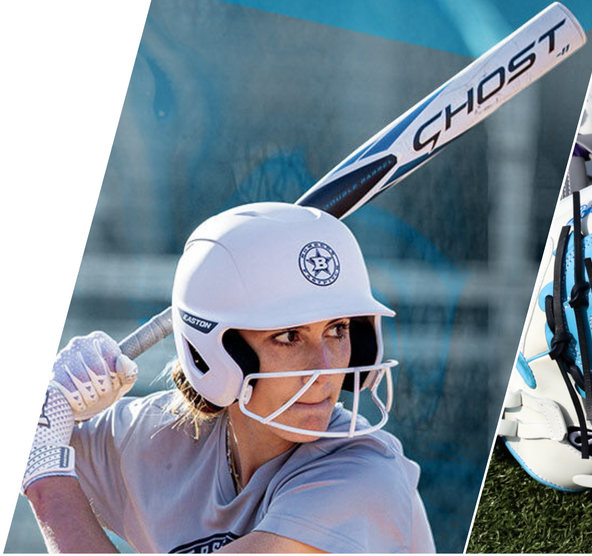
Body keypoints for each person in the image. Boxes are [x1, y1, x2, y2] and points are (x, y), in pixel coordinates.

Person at [20, 202, 436, 553]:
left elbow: (46, 468)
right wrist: (55, 397)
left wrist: (45, 475)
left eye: (338, 330)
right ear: (219, 352)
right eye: (289, 336)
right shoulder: (155, 438)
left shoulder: (364, 474)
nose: (326, 369)